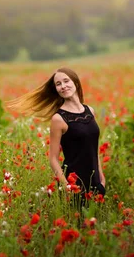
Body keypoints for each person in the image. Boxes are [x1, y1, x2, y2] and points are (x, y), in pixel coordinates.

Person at [7, 67, 105, 206]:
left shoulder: (90, 111)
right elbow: (53, 159)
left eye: (66, 81)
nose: (63, 86)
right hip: (74, 183)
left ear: (76, 83)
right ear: (56, 90)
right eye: (58, 84)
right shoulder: (58, 119)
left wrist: (101, 179)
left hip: (95, 181)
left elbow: (93, 149)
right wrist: (67, 187)